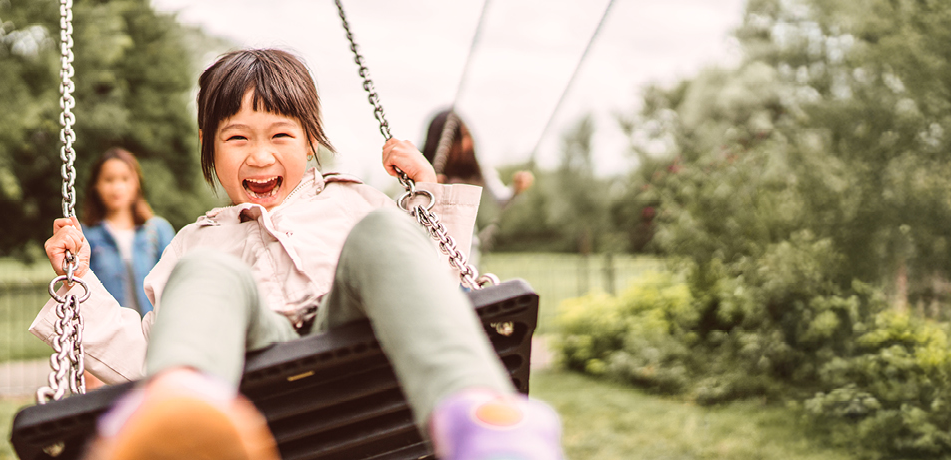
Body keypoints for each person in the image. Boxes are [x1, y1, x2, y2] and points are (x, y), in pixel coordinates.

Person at [30, 49, 564, 460]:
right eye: (236, 137)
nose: (259, 155)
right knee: (205, 272)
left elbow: (431, 294)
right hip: (253, 367)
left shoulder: (354, 200)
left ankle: (478, 417)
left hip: (356, 346)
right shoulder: (194, 240)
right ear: (208, 144)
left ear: (309, 140)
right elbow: (144, 352)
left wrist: (430, 199)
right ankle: (182, 410)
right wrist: (80, 286)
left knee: (385, 234)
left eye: (280, 134)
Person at [421, 108, 536, 264]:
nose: (464, 145)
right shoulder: (424, 169)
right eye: (456, 140)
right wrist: (428, 186)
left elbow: (501, 200)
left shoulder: (478, 170)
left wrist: (516, 189)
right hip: (428, 247)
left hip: (464, 251)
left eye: (466, 137)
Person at [83, 147, 176, 315]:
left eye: (125, 179)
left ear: (136, 183)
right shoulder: (87, 236)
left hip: (151, 334)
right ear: (96, 185)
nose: (117, 187)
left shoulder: (157, 231)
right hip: (108, 333)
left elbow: (174, 285)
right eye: (109, 180)